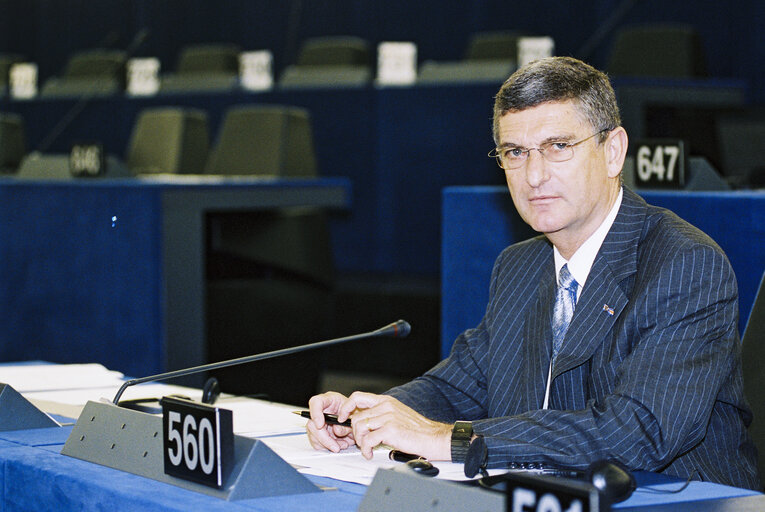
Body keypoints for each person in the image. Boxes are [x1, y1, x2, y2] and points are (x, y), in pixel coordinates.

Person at [306, 56, 761, 490]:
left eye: (558, 147)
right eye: (515, 152)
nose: (534, 175)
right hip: (543, 493)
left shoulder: (684, 264)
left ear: (613, 151)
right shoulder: (519, 266)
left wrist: (449, 440)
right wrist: (372, 415)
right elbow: (460, 385)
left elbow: (637, 433)